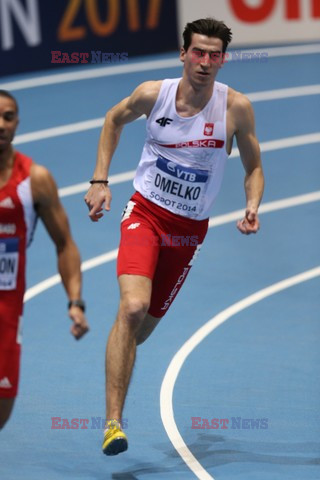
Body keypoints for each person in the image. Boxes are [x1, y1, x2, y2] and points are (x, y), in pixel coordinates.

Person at [84, 17, 264, 456]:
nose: (205, 62)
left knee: (138, 331)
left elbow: (254, 167)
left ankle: (121, 341)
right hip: (145, 214)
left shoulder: (235, 108)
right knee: (132, 306)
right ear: (183, 54)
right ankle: (112, 424)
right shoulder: (153, 94)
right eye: (198, 52)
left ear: (223, 59)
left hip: (187, 233)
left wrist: (252, 205)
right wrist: (100, 179)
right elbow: (113, 119)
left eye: (214, 54)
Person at [0, 90, 89, 429]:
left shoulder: (35, 180)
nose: (0, 124)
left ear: (18, 123)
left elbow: (65, 244)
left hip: (6, 308)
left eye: (8, 117)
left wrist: (75, 302)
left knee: (3, 406)